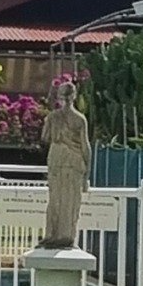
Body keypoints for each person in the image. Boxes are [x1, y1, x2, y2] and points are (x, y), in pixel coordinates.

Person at [41, 79, 91, 248]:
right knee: (70, 201)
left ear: (59, 97)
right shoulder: (80, 119)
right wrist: (87, 172)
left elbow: (45, 138)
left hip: (57, 158)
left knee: (55, 199)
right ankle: (66, 236)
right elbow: (85, 146)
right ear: (74, 96)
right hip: (74, 161)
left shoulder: (52, 117)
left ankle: (52, 235)